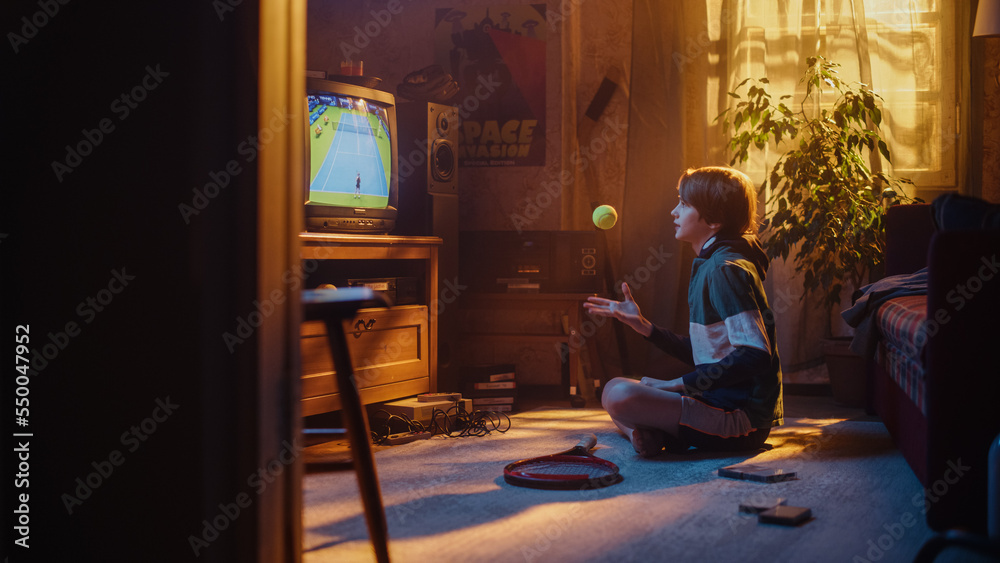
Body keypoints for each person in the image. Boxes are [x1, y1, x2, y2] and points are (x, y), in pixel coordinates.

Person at [583, 166, 783, 457]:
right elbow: (710, 352)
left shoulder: (726, 270)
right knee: (613, 387)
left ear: (713, 220)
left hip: (740, 421)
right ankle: (643, 434)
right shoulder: (713, 263)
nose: (674, 212)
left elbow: (755, 354)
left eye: (684, 204)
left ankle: (651, 431)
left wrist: (677, 385)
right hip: (713, 403)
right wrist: (644, 327)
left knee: (622, 395)